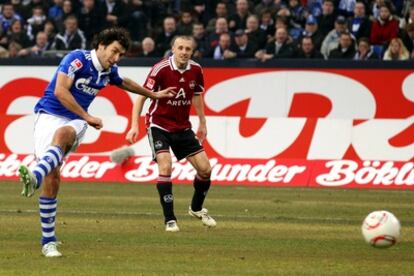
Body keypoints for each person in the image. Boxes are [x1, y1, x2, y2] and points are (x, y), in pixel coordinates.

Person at [17, 27, 176, 258]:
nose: (116, 58)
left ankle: (35, 181)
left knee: (65, 135)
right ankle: (48, 235)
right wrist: (88, 116)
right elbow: (61, 91)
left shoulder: (109, 70)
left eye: (120, 54)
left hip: (76, 120)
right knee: (53, 175)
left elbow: (124, 82)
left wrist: (154, 95)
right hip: (48, 116)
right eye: (114, 51)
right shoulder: (76, 60)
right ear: (101, 45)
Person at [110, 35, 217, 232]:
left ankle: (196, 208)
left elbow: (196, 95)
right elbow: (141, 97)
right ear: (173, 49)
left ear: (192, 52)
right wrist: (134, 126)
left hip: (183, 127)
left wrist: (202, 122)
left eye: (188, 49)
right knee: (165, 166)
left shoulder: (196, 69)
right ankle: (170, 220)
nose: (184, 52)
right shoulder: (161, 69)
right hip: (159, 125)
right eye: (181, 48)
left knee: (205, 170)